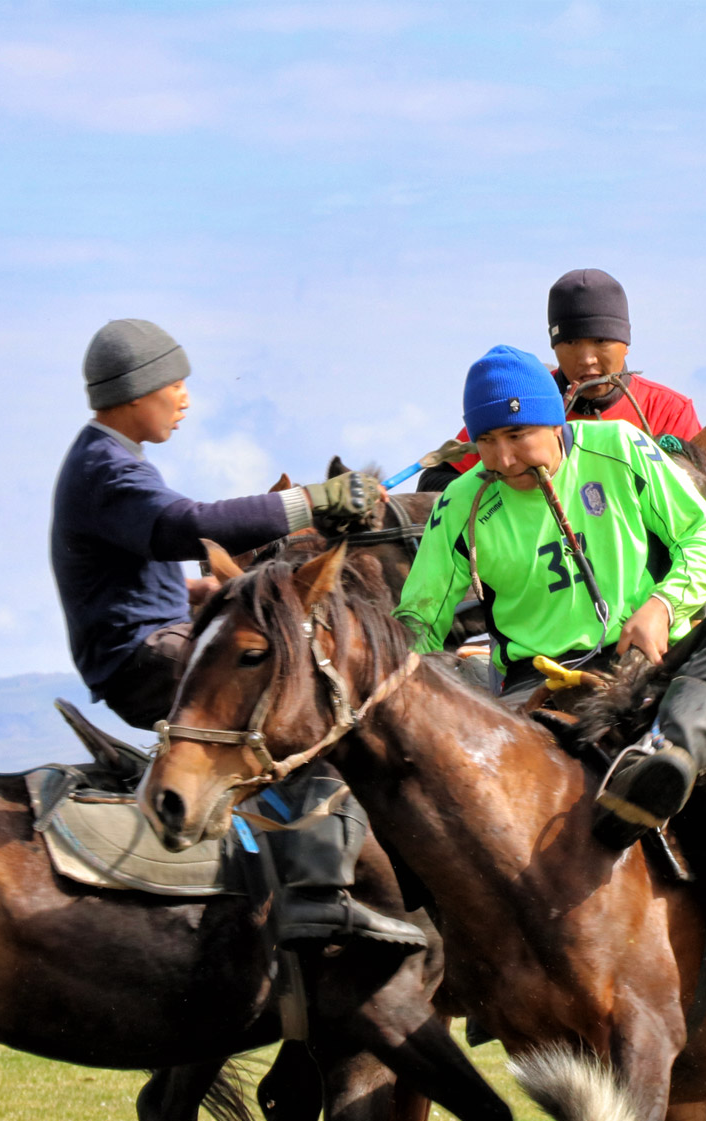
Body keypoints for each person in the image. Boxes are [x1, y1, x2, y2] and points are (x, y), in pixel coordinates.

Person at [50, 318, 425, 952]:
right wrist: (311, 502)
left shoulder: (109, 462)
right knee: (308, 712)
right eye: (176, 385)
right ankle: (316, 897)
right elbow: (186, 525)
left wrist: (212, 594)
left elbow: (147, 578)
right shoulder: (107, 469)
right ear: (138, 392)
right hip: (147, 658)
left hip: (152, 642)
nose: (186, 399)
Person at [397, 345, 706, 846]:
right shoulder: (460, 503)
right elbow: (417, 620)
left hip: (651, 663)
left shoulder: (621, 447)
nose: (502, 458)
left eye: (517, 435)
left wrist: (663, 605)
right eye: (487, 441)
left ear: (553, 423)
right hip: (537, 688)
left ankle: (668, 757)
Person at [415, 270, 703, 493]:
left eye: (601, 341)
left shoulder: (669, 410)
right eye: (570, 342)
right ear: (554, 346)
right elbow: (434, 481)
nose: (586, 359)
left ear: (626, 343)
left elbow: (697, 504)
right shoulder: (524, 401)